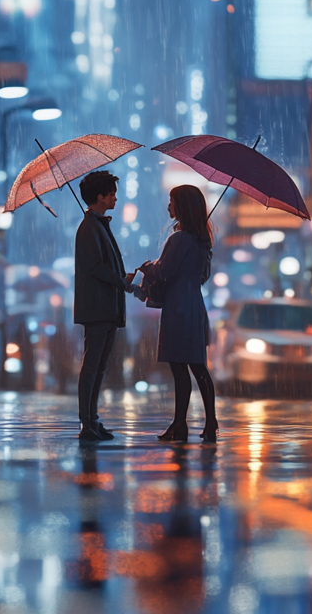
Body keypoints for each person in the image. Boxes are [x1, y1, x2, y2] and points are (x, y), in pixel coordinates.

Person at [135, 184, 217, 443]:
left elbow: (164, 271)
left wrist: (147, 267)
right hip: (194, 304)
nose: (168, 206)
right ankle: (208, 421)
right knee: (198, 367)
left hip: (178, 308)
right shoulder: (201, 240)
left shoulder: (179, 238)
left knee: (180, 369)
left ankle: (180, 424)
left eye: (171, 201)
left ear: (181, 206)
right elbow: (202, 276)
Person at [74, 169, 132, 442]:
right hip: (98, 308)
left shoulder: (98, 225)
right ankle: (87, 422)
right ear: (99, 197)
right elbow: (96, 267)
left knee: (99, 367)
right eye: (111, 194)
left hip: (106, 308)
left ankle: (93, 420)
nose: (115, 199)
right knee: (92, 367)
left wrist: (122, 279)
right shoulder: (89, 228)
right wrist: (122, 281)